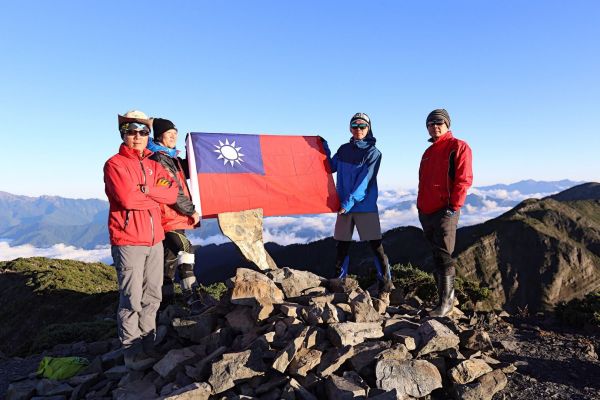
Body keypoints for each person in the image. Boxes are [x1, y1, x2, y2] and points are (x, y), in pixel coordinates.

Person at [104, 110, 177, 369]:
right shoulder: (115, 164)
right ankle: (132, 353)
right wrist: (153, 193)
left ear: (148, 135)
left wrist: (147, 191)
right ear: (123, 134)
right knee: (131, 299)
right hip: (128, 241)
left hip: (155, 239)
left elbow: (172, 192)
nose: (137, 136)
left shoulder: (154, 164)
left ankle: (149, 345)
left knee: (153, 296)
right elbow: (127, 199)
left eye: (143, 132)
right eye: (131, 131)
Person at [323, 112, 394, 292]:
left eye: (362, 126)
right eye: (355, 126)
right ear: (350, 128)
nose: (358, 129)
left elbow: (365, 181)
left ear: (368, 128)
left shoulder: (373, 153)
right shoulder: (343, 150)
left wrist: (347, 203)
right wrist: (323, 148)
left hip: (363, 206)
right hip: (344, 206)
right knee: (342, 246)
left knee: (376, 246)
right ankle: (339, 283)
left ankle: (385, 286)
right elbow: (330, 167)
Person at [417, 109, 473, 317]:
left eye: (439, 122)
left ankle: (446, 304)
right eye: (430, 123)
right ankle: (443, 300)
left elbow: (463, 178)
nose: (435, 126)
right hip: (427, 211)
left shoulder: (458, 146)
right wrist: (420, 207)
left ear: (447, 124)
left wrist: (453, 207)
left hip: (445, 210)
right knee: (436, 254)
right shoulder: (428, 152)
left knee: (443, 254)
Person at [147, 118, 202, 313]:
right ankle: (191, 296)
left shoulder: (171, 157)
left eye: (175, 133)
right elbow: (174, 192)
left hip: (173, 217)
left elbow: (189, 170)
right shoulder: (159, 158)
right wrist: (191, 210)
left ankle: (165, 305)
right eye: (169, 133)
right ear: (159, 136)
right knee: (185, 249)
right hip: (167, 217)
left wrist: (194, 149)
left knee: (167, 262)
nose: (173, 137)